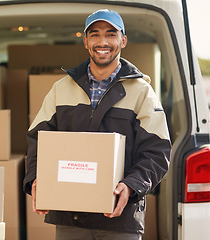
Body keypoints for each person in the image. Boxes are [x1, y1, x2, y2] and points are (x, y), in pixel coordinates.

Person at [23, 9, 171, 240]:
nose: (103, 42)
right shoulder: (61, 89)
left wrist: (132, 185)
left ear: (123, 40)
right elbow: (37, 140)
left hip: (120, 218)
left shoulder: (142, 92)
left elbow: (157, 150)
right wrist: (35, 178)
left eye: (111, 34)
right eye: (95, 34)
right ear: (85, 41)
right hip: (70, 217)